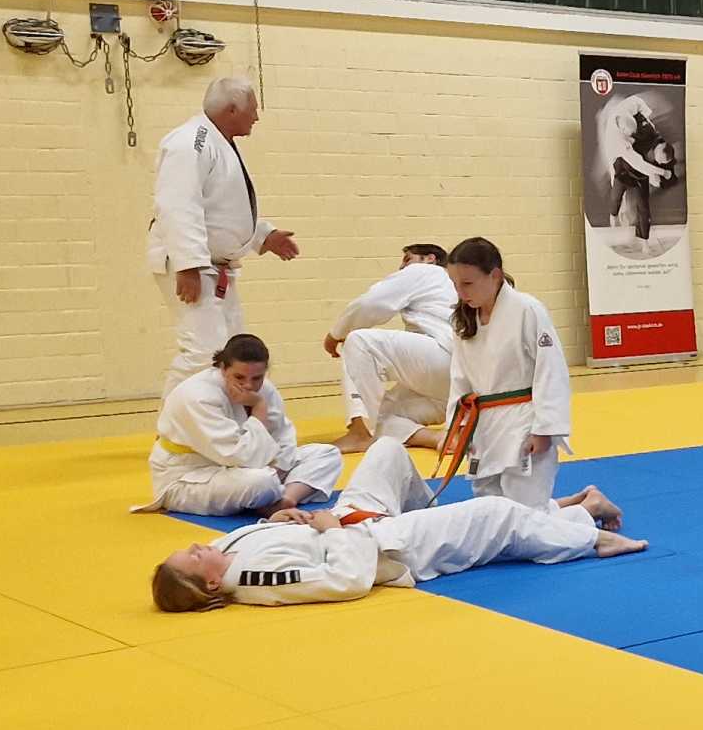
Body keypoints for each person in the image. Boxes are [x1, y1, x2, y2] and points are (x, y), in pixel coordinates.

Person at [150, 438, 639, 613]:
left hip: (356, 515)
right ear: (210, 584)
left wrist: (281, 517)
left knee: (386, 449)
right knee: (494, 514)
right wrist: (331, 530)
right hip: (386, 545)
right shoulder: (256, 582)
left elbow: (270, 531)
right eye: (193, 557)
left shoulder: (227, 548)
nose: (196, 545)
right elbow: (345, 581)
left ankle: (567, 510)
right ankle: (590, 535)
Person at [148, 76, 298, 388]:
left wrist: (263, 236)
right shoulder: (190, 142)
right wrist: (188, 265)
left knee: (231, 351)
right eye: (252, 109)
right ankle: (172, 419)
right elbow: (178, 205)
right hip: (193, 264)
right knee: (203, 353)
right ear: (231, 110)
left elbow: (224, 209)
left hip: (214, 266)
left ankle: (224, 414)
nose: (256, 117)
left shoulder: (218, 142)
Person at [144, 335, 341, 517]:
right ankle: (269, 495)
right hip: (189, 476)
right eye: (239, 377)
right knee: (260, 482)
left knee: (326, 454)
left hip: (248, 468)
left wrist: (278, 466)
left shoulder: (265, 389)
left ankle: (286, 499)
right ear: (223, 368)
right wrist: (259, 407)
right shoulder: (198, 397)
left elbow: (284, 436)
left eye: (257, 378)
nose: (249, 385)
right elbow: (239, 457)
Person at [441, 237, 575, 506]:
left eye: (467, 284)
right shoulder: (463, 319)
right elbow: (459, 379)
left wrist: (545, 429)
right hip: (484, 427)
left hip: (523, 420)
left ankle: (588, 513)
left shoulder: (527, 310)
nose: (461, 292)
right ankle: (588, 504)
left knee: (527, 514)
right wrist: (456, 428)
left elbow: (551, 370)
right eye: (455, 284)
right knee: (491, 513)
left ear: (495, 276)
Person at [326, 243, 457, 452]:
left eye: (407, 259)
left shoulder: (427, 271)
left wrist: (335, 335)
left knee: (359, 341)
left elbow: (372, 303)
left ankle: (359, 433)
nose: (402, 266)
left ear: (430, 258)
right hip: (455, 387)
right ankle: (436, 439)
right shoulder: (455, 284)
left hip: (443, 356)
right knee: (379, 416)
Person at [604, 91, 678, 242]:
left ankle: (644, 241)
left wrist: (647, 115)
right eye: (629, 134)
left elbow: (637, 102)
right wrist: (660, 172)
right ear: (623, 131)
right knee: (615, 197)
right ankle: (614, 216)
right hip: (624, 168)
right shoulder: (618, 142)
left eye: (634, 132)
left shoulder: (632, 110)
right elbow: (639, 164)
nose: (632, 137)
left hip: (641, 175)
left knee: (643, 207)